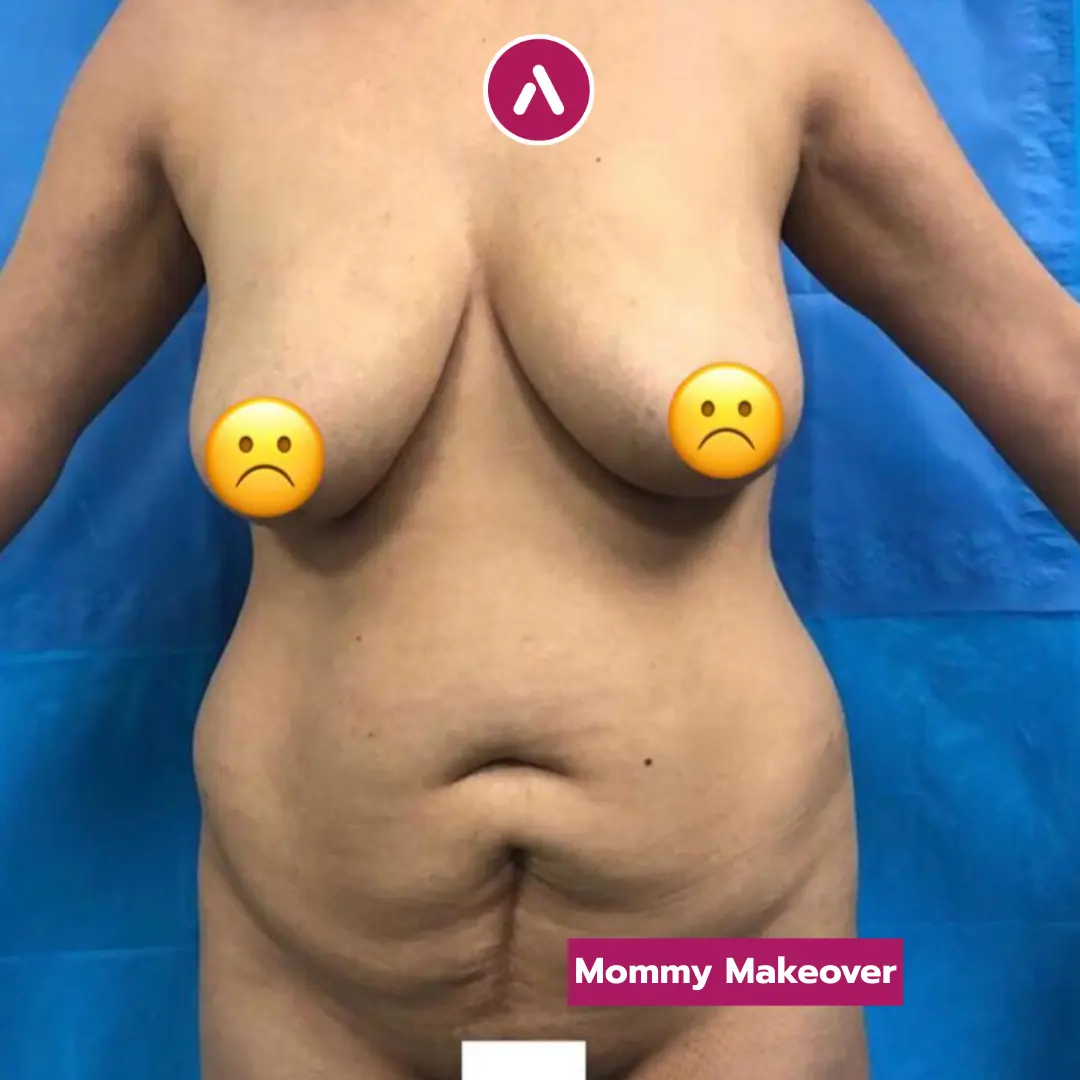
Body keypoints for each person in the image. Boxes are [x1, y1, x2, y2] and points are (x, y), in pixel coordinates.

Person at [1, 1, 1077, 1078]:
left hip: (734, 973)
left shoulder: (773, 26)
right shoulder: (189, 43)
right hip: (318, 991)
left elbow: (1051, 375)